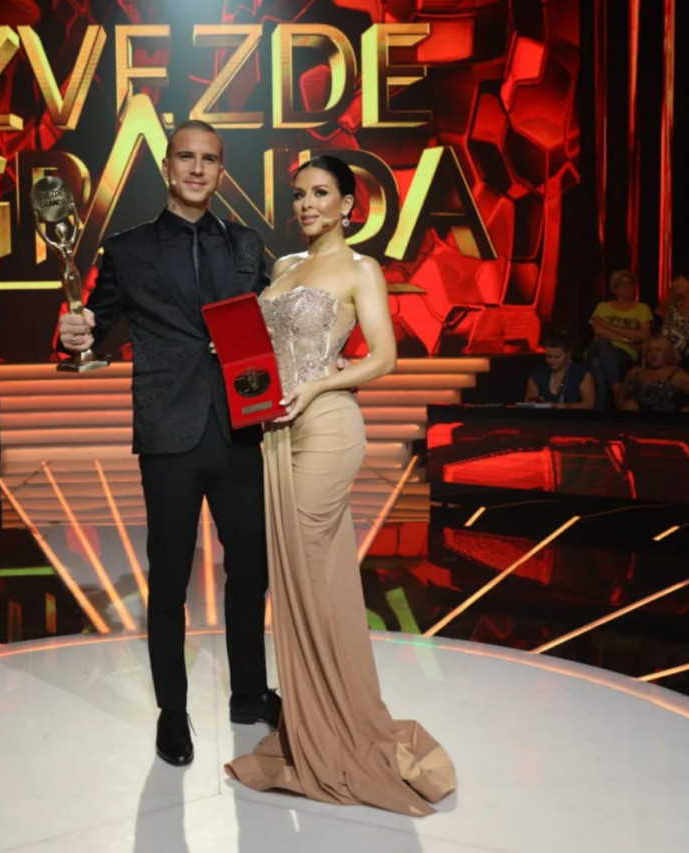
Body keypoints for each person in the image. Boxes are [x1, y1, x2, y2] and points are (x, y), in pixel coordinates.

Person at [220, 155, 456, 815]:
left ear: (348, 205)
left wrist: (322, 381)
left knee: (308, 567)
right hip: (273, 432)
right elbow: (264, 352)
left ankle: (342, 727)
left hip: (326, 424)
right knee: (301, 577)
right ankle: (314, 722)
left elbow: (384, 357)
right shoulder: (282, 267)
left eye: (321, 193)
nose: (307, 204)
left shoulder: (361, 269)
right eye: (299, 194)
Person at [57, 119, 279, 767]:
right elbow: (94, 323)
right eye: (186, 156)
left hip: (240, 428)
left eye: (209, 159)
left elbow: (274, 318)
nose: (197, 168)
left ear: (221, 170)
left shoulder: (246, 244)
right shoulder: (127, 249)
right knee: (170, 580)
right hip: (169, 432)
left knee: (251, 570)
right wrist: (74, 334)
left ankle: (247, 692)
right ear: (167, 166)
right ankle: (172, 713)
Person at [586, 270, 652, 409]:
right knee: (602, 343)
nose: (630, 288)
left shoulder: (642, 309)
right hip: (601, 348)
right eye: (625, 284)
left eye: (631, 284)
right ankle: (617, 388)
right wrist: (627, 339)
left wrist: (609, 326)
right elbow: (599, 331)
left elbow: (644, 335)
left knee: (598, 364)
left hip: (625, 353)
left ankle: (598, 412)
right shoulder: (603, 307)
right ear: (615, 288)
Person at [616, 332, 689, 413]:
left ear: (667, 352)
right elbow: (619, 400)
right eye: (649, 351)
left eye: (658, 350)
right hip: (634, 425)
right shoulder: (634, 372)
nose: (653, 355)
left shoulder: (678, 375)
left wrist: (684, 412)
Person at [524, 328, 594, 408]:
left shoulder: (581, 373)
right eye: (548, 356)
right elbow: (528, 405)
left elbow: (589, 405)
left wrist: (567, 406)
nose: (552, 360)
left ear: (569, 354)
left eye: (557, 357)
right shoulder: (537, 375)